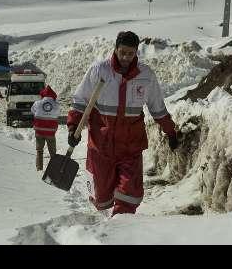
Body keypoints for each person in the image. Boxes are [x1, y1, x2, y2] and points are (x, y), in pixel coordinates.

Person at [67, 31, 179, 216]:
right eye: (122, 52)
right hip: (101, 146)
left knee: (129, 195)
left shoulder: (146, 75)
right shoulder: (99, 70)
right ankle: (105, 227)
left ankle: (121, 229)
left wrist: (170, 131)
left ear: (136, 52)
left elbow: (157, 107)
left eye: (131, 53)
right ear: (116, 49)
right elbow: (80, 101)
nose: (126, 57)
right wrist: (73, 127)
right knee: (101, 198)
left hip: (130, 147)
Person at [31, 85, 60, 171]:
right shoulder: (56, 105)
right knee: (53, 153)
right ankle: (54, 170)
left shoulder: (37, 103)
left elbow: (33, 111)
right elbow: (57, 114)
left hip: (39, 131)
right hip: (50, 132)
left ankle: (39, 169)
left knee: (39, 151)